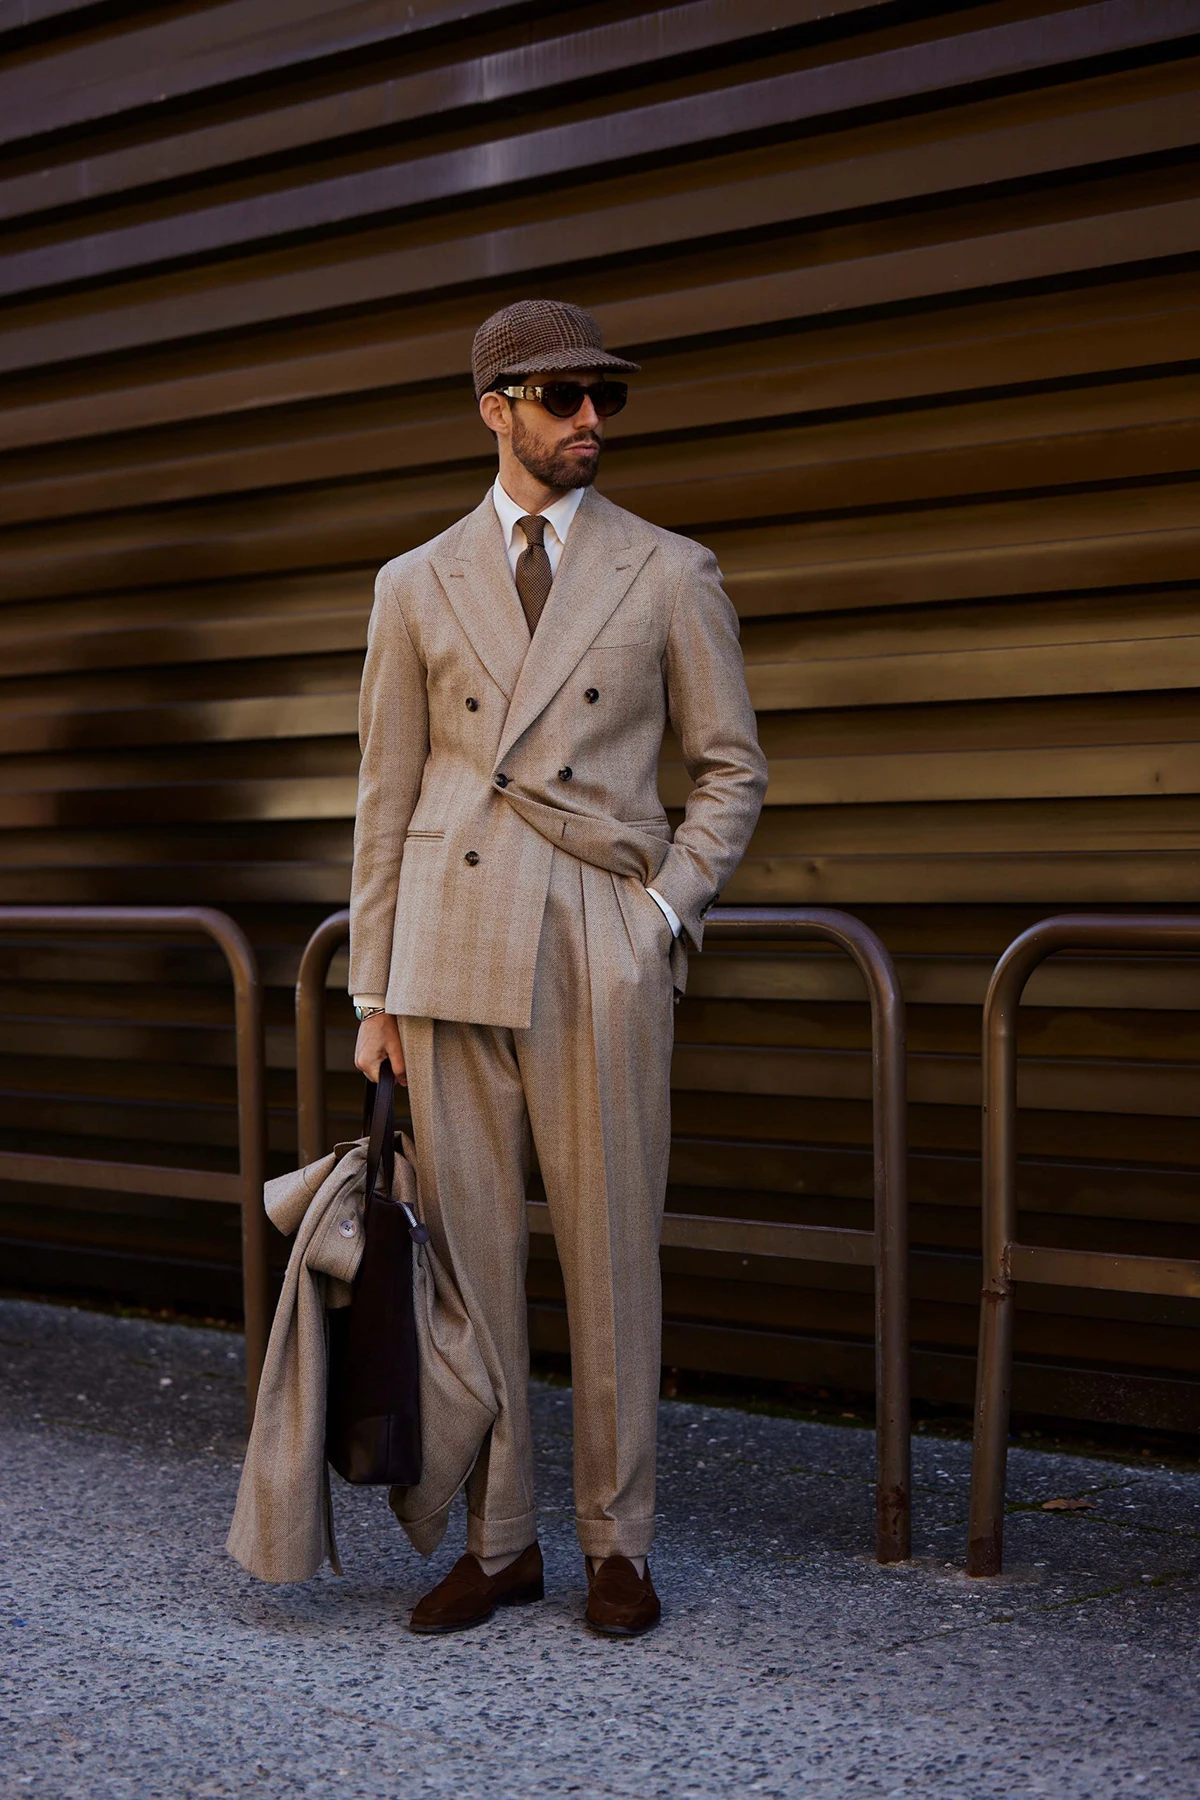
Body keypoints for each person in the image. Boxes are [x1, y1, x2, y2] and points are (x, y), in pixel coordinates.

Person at [348, 298, 767, 1636]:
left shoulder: (668, 570)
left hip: (596, 938)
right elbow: (386, 794)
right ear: (496, 407)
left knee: (609, 1254)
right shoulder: (413, 583)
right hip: (449, 949)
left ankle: (618, 1542)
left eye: (609, 398)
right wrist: (374, 990)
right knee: (473, 1267)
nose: (593, 419)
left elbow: (731, 770)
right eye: (565, 396)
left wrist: (657, 918)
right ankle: (503, 1539)